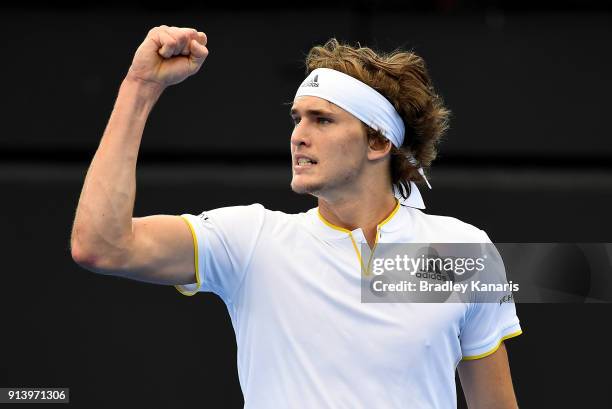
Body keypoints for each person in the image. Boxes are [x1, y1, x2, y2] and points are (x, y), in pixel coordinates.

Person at [71, 25, 522, 408]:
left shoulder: (463, 251)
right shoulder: (250, 240)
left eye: (322, 120)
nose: (298, 137)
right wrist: (140, 86)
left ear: (379, 143)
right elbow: (101, 245)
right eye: (296, 119)